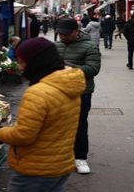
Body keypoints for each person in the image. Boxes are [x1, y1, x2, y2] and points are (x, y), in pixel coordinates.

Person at [0, 37, 85, 192]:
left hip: (36, 170)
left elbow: (24, 135)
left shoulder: (38, 93)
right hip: (61, 164)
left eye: (22, 62)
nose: (20, 68)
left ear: (37, 62)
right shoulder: (69, 85)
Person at [55, 18, 101, 174]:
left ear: (77, 31)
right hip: (59, 92)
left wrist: (67, 66)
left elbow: (92, 69)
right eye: (60, 34)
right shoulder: (56, 46)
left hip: (81, 92)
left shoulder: (89, 47)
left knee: (79, 124)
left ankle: (80, 157)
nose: (63, 37)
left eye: (66, 34)